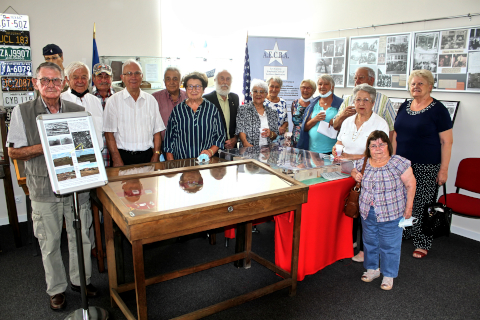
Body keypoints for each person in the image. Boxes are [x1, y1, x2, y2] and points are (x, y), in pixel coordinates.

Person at [6, 62, 98, 311]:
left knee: (81, 237)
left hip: (76, 185)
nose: (51, 85)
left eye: (56, 80)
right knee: (50, 241)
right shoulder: (22, 111)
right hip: (44, 188)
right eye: (45, 80)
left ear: (63, 83)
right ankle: (56, 289)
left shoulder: (76, 109)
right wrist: (48, 143)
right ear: (36, 83)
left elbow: (83, 148)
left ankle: (81, 282)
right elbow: (13, 151)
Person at [393, 69, 453, 259]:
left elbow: (447, 142)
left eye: (420, 83)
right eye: (413, 83)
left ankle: (422, 242)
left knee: (423, 204)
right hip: (402, 164)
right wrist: (393, 160)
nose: (416, 87)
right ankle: (406, 231)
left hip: (427, 165)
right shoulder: (405, 105)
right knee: (403, 201)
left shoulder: (438, 110)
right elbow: (395, 134)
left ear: (430, 86)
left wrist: (443, 169)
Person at [351, 130, 416, 290]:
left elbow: (411, 185)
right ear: (369, 148)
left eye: (382, 144)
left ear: (388, 145)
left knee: (389, 245)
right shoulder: (363, 162)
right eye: (373, 145)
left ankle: (388, 275)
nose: (378, 148)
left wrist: (409, 208)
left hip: (391, 212)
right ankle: (372, 269)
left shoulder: (399, 163)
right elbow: (353, 170)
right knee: (370, 242)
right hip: (368, 212)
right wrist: (355, 174)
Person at [333, 84, 389, 263]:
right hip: (347, 170)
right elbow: (340, 141)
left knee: (367, 213)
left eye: (366, 100)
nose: (361, 103)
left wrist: (351, 155)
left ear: (373, 103)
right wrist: (336, 149)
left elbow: (379, 151)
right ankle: (350, 243)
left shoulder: (379, 123)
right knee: (351, 205)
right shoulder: (348, 120)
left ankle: (366, 251)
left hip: (369, 172)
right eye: (358, 99)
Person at [104, 59, 165, 167]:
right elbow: (109, 134)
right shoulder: (113, 101)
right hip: (122, 157)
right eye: (129, 74)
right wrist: (116, 159)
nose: (133, 77)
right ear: (122, 77)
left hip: (147, 157)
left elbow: (157, 132)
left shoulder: (151, 100)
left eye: (137, 73)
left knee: (147, 185)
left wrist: (156, 154)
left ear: (142, 76)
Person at [164, 71, 226, 160]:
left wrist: (210, 151)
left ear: (204, 89)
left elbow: (220, 135)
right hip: (182, 162)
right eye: (190, 86)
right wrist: (171, 163)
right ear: (185, 89)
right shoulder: (177, 110)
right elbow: (169, 139)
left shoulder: (212, 109)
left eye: (198, 86)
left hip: (205, 163)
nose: (193, 90)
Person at [333, 67, 395, 140]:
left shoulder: (384, 101)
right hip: (349, 147)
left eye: (361, 78)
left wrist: (387, 148)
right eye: (355, 78)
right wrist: (343, 115)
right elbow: (335, 126)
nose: (357, 81)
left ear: (371, 80)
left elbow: (392, 129)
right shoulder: (348, 100)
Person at [296, 75, 343, 153]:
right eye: (320, 84)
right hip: (312, 150)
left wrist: (336, 121)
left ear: (332, 87)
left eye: (326, 84)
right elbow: (305, 128)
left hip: (332, 151)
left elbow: (346, 126)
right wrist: (315, 119)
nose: (322, 86)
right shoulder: (312, 104)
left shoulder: (340, 104)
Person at [236, 79, 279, 147]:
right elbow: (241, 129)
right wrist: (245, 144)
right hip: (248, 151)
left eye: (261, 92)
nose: (258, 94)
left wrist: (270, 134)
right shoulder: (243, 109)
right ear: (251, 94)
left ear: (266, 95)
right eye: (255, 91)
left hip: (267, 153)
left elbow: (275, 133)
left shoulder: (273, 113)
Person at [203, 69, 239, 149]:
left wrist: (235, 139)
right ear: (215, 80)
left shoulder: (235, 98)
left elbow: (238, 122)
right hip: (212, 149)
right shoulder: (206, 99)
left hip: (232, 148)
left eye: (228, 79)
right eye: (222, 78)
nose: (225, 82)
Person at [152, 67, 187, 141]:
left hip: (185, 144)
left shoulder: (188, 97)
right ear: (164, 81)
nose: (171, 82)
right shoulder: (154, 98)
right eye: (168, 79)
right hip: (162, 144)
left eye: (175, 79)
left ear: (181, 82)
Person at [291, 79, 315, 147]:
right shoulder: (295, 103)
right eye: (303, 87)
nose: (305, 90)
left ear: (314, 90)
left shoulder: (316, 104)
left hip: (310, 142)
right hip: (296, 141)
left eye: (308, 88)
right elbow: (294, 123)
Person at [264, 77, 288, 142]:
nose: (274, 89)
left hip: (279, 140)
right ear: (267, 86)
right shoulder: (261, 101)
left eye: (277, 87)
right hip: (264, 139)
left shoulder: (283, 102)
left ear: (280, 88)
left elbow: (286, 121)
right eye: (271, 86)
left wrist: (283, 127)